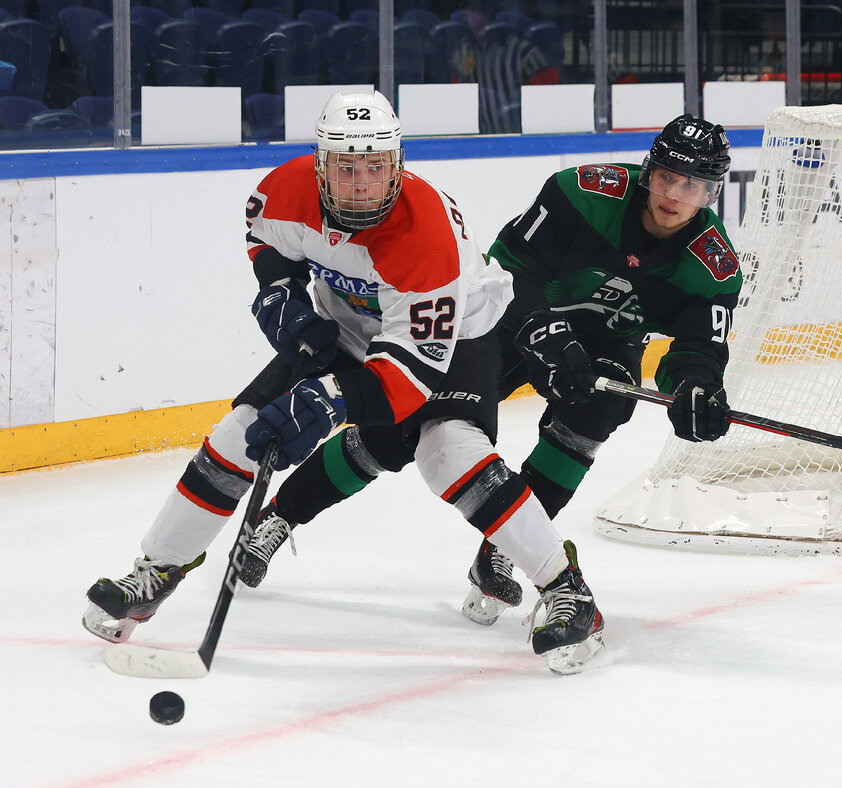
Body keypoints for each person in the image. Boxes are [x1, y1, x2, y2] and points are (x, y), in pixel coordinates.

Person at [82, 90, 606, 674]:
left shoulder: (426, 237)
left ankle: (567, 588)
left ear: (397, 165)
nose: (361, 185)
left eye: (375, 168)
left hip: (456, 339)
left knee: (448, 453)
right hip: (344, 329)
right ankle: (158, 568)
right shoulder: (286, 189)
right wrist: (279, 294)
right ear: (320, 165)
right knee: (239, 433)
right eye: (346, 167)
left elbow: (407, 379)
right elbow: (268, 241)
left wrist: (327, 401)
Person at [241, 113, 743, 626]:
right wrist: (541, 327)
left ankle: (502, 550)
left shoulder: (713, 265)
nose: (673, 195)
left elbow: (699, 348)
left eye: (691, 185)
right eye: (666, 177)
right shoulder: (583, 192)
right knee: (398, 430)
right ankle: (279, 516)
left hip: (605, 344)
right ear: (648, 170)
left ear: (712, 193)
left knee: (599, 410)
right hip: (507, 321)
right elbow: (508, 267)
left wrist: (696, 388)